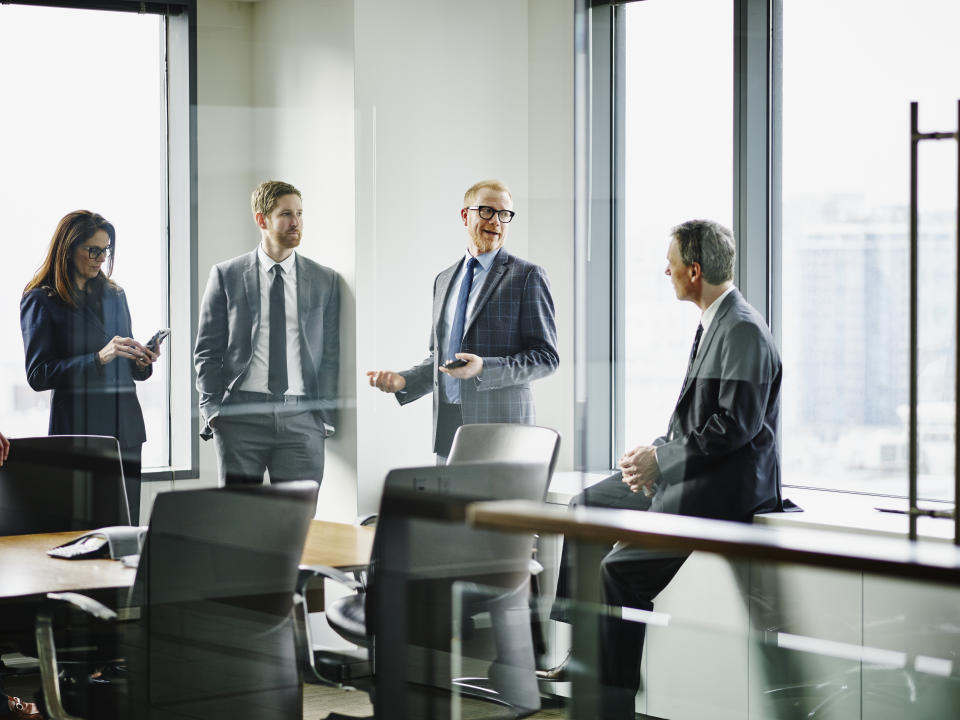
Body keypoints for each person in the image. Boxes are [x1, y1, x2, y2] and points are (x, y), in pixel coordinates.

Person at [556, 220, 782, 717]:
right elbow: (704, 421)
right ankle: (583, 654)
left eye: (672, 263)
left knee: (620, 573)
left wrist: (663, 460)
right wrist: (652, 455)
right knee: (585, 505)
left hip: (721, 490)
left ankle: (613, 702)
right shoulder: (717, 322)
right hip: (694, 470)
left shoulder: (741, 328)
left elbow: (735, 428)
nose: (667, 270)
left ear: (694, 271)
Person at [366, 179, 558, 460]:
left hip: (502, 432)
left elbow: (546, 358)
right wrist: (403, 381)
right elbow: (441, 359)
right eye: (486, 211)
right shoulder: (443, 280)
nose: (496, 221)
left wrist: (484, 368)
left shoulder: (527, 276)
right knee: (447, 506)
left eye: (504, 214)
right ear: (464, 215)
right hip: (448, 427)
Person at [195, 180, 340, 485]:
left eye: (300, 213)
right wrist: (212, 410)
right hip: (240, 418)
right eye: (286, 214)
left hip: (302, 420)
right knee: (239, 518)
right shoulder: (226, 275)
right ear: (262, 219)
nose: (296, 222)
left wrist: (323, 416)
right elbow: (207, 349)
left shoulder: (325, 279)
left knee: (297, 520)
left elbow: (330, 354)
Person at [21, 211, 158, 525]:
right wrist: (98, 358)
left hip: (125, 430)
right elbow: (38, 374)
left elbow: (126, 363)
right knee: (79, 531)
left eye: (105, 250)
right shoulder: (41, 300)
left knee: (126, 529)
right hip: (78, 433)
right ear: (68, 249)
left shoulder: (114, 294)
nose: (100, 258)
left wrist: (142, 360)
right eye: (93, 250)